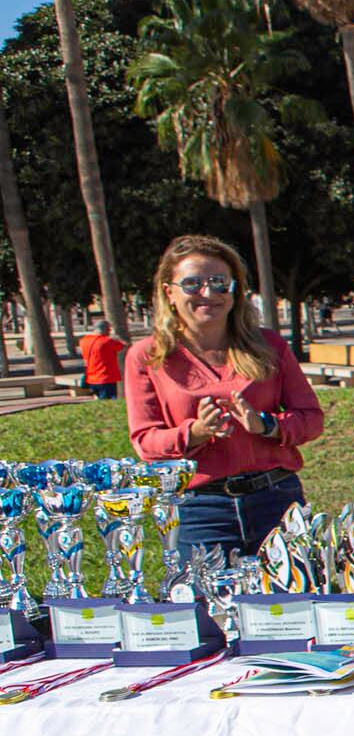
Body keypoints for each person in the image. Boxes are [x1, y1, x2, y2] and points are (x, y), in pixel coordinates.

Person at [125, 235, 324, 557]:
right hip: (199, 509)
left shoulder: (269, 346)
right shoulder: (147, 356)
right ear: (169, 292)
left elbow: (312, 419)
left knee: (290, 605)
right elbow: (145, 442)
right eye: (192, 284)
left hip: (276, 500)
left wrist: (266, 425)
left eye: (219, 282)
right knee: (208, 605)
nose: (208, 293)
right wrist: (195, 433)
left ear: (235, 290)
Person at [78, 319, 126, 400]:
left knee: (99, 401)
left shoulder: (83, 341)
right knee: (108, 403)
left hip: (91, 378)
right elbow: (123, 345)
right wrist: (116, 336)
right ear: (105, 329)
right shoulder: (107, 341)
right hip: (106, 378)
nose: (109, 332)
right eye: (109, 330)